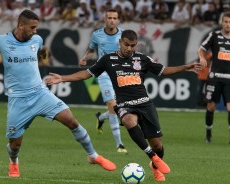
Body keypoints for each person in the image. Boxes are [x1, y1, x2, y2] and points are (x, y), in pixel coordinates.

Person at [0, 9, 116, 177]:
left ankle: (93, 155)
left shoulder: (36, 39)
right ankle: (14, 162)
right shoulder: (2, 41)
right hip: (18, 100)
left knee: (71, 120)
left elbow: (39, 49)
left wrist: (42, 55)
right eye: (32, 27)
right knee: (14, 145)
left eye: (36, 28)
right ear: (21, 25)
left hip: (40, 94)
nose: (35, 31)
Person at [45, 29, 202, 182]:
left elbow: (164, 71)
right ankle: (151, 156)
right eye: (126, 44)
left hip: (145, 104)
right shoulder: (107, 60)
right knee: (128, 121)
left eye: (132, 46)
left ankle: (155, 164)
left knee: (158, 145)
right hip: (125, 104)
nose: (129, 48)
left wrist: (185, 67)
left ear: (136, 44)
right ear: (120, 42)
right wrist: (63, 78)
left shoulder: (142, 59)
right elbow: (86, 73)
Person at [79, 8, 127, 153]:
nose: (112, 20)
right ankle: (119, 144)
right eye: (109, 18)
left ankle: (101, 117)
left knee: (118, 108)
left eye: (114, 18)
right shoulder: (97, 35)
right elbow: (91, 50)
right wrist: (85, 58)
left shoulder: (123, 34)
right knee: (112, 105)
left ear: (118, 20)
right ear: (104, 19)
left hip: (119, 73)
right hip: (104, 73)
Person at [198, 11, 230, 144]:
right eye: (226, 22)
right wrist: (201, 57)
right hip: (214, 77)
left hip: (229, 79)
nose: (228, 25)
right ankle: (208, 134)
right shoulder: (214, 35)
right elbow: (201, 48)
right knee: (211, 106)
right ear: (222, 22)